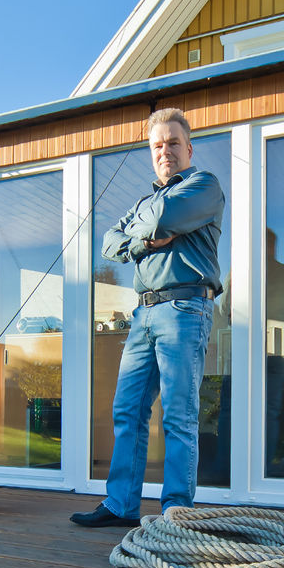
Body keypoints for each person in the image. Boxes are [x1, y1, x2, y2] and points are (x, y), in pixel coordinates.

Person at [71, 109, 224, 527]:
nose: (165, 151)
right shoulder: (145, 200)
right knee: (128, 410)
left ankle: (176, 513)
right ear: (150, 153)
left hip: (184, 308)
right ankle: (121, 505)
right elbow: (109, 243)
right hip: (143, 313)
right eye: (157, 146)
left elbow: (160, 219)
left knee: (178, 413)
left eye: (173, 143)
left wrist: (139, 231)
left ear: (188, 147)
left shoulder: (203, 185)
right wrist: (144, 238)